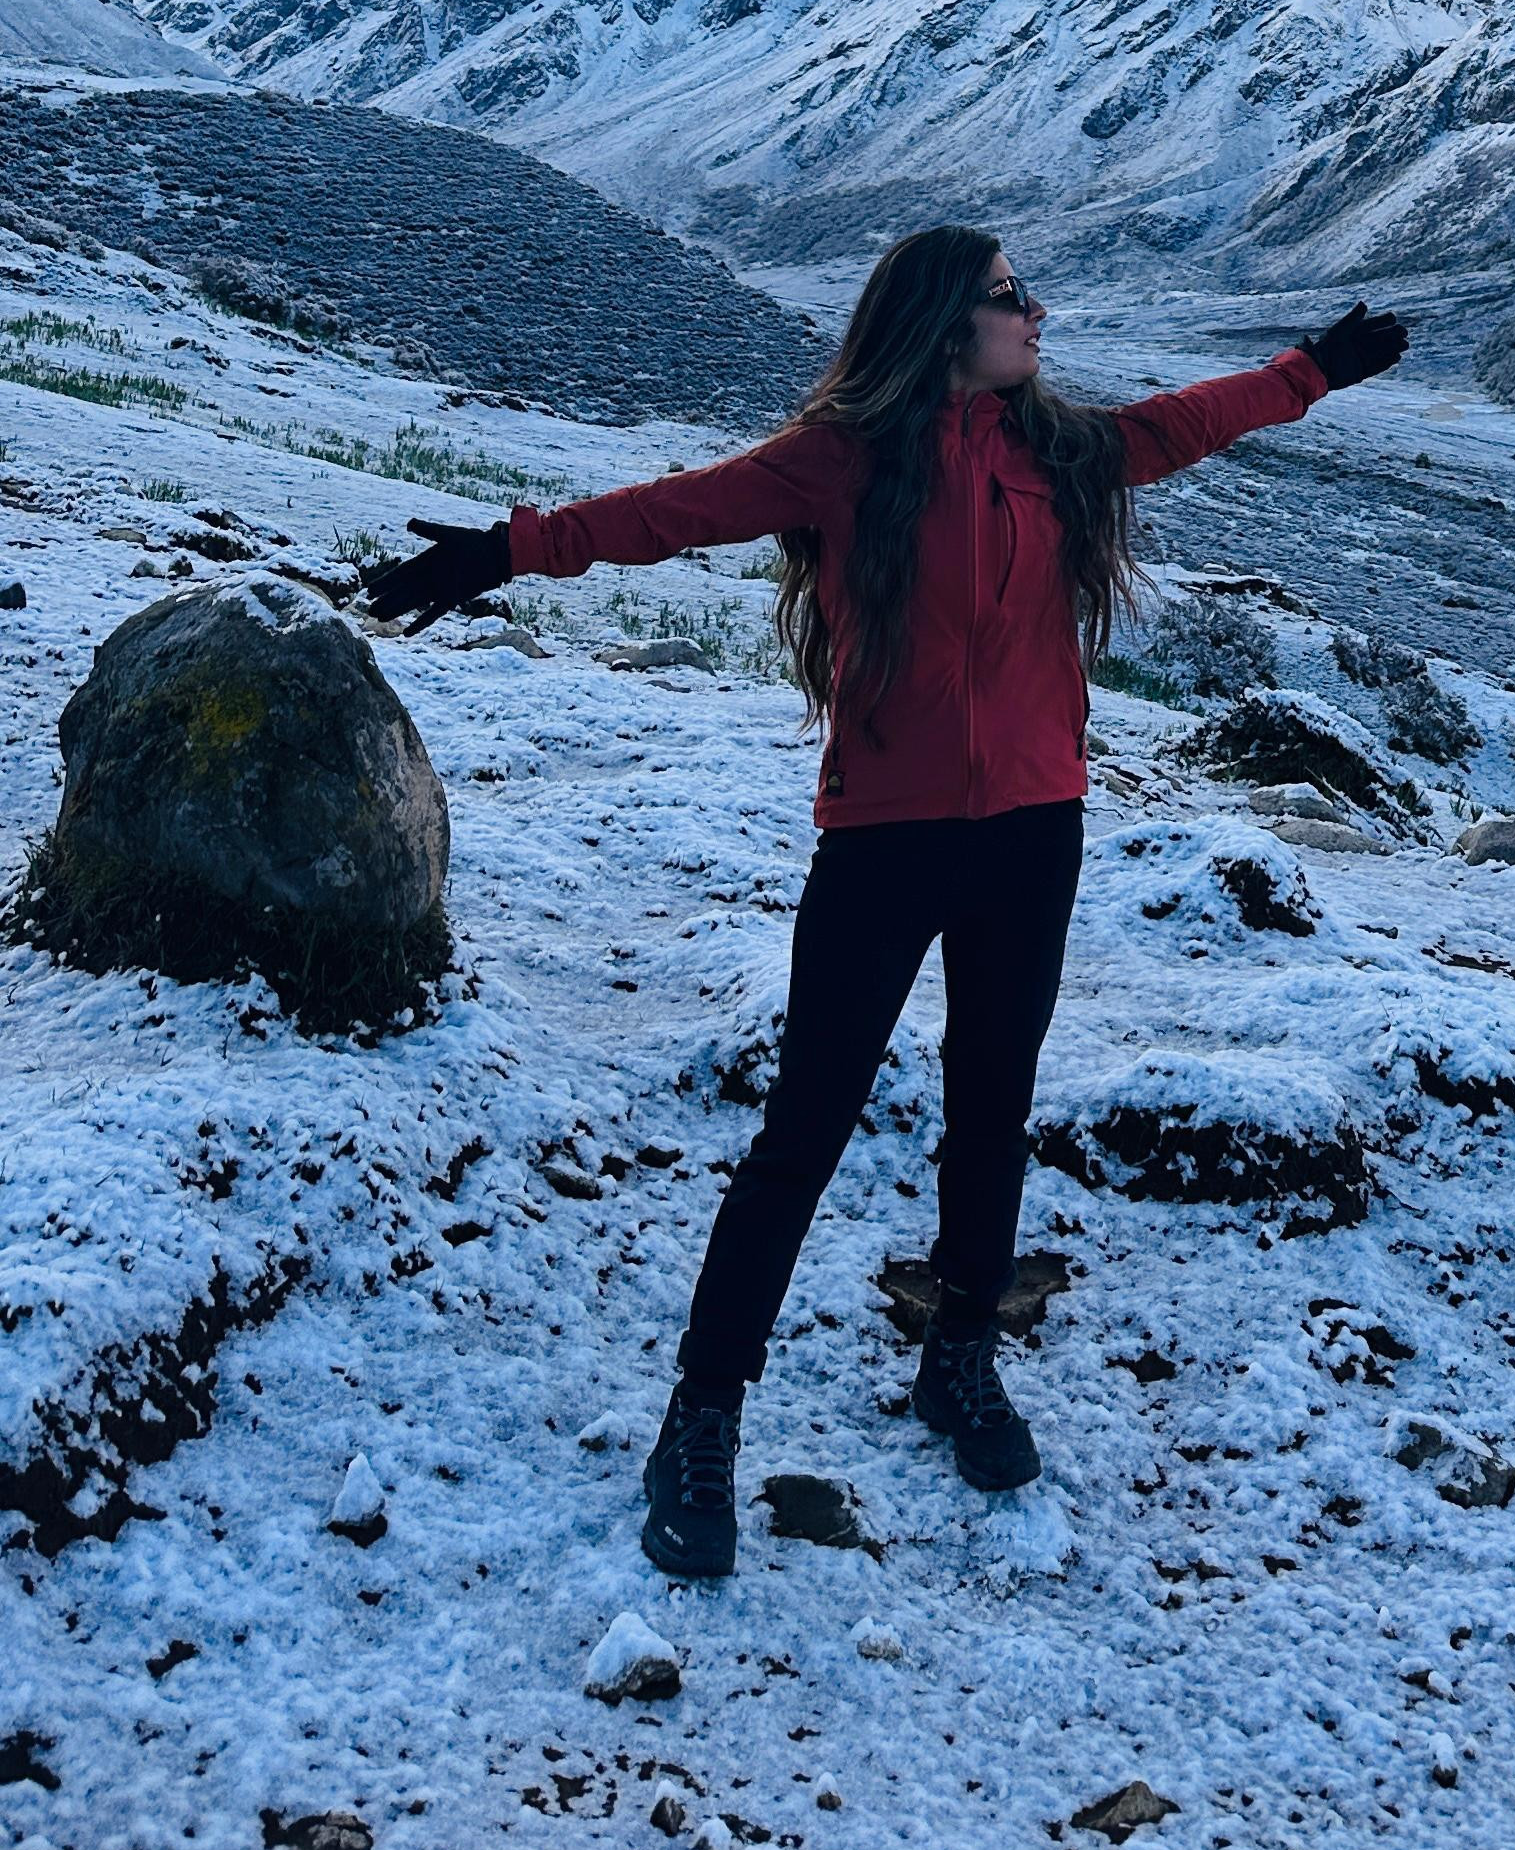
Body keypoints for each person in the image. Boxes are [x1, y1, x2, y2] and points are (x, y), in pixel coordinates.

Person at [363, 227, 1408, 1577]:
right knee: (803, 1131)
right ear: (942, 321)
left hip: (1031, 831)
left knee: (992, 1107)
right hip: (884, 838)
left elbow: (1184, 423)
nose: (1034, 315)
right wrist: (503, 553)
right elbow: (671, 511)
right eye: (1009, 298)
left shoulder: (1057, 450)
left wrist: (1309, 371)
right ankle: (702, 1415)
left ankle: (959, 1356)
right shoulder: (843, 459)